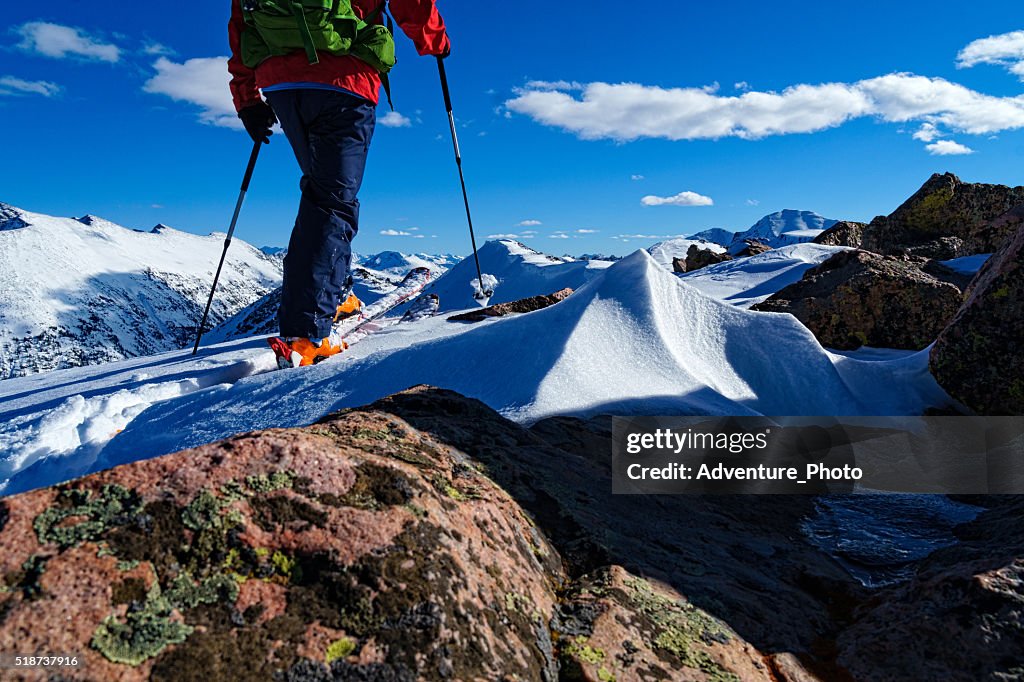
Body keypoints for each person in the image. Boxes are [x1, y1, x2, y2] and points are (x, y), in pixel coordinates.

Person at [227, 0, 450, 366]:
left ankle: (334, 296)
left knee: (323, 191)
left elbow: (242, 18)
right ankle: (308, 330)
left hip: (280, 82)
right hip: (343, 78)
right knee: (332, 200)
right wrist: (434, 40)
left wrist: (247, 98)